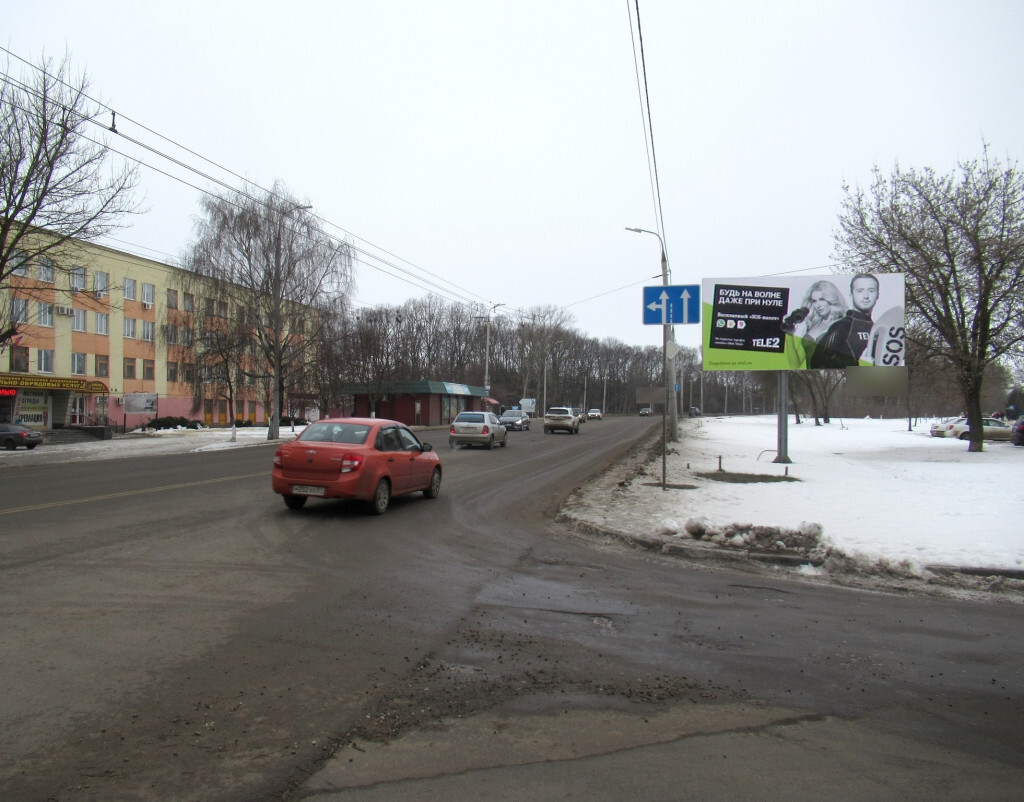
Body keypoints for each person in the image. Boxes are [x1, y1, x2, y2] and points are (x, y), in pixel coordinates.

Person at [809, 273, 880, 369]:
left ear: (878, 295)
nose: (866, 296)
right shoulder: (843, 326)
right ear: (851, 295)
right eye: (860, 291)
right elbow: (816, 362)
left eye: (871, 291)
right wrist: (857, 364)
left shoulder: (879, 328)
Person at [781, 280, 847, 369]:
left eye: (822, 299)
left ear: (831, 299)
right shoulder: (812, 326)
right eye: (814, 301)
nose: (818, 305)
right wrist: (789, 335)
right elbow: (795, 365)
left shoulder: (842, 325)